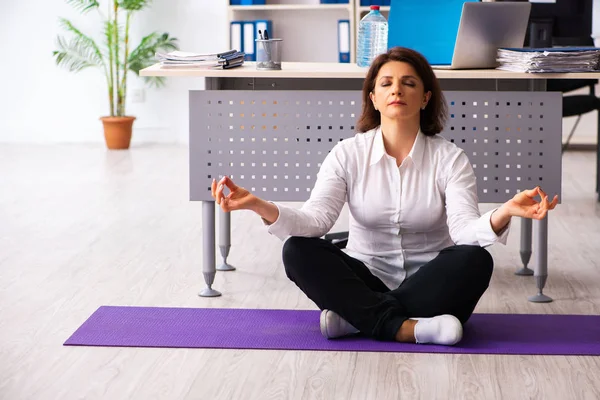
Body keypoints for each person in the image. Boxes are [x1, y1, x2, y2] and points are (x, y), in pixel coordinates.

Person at [211, 47, 558, 346]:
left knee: (476, 259)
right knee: (298, 250)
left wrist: (505, 212)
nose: (397, 90)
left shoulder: (450, 158)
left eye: (409, 83)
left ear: (425, 97)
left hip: (430, 282)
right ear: (373, 98)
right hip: (365, 272)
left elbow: (464, 231)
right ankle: (406, 328)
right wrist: (258, 204)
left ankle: (356, 318)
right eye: (386, 83)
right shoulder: (347, 154)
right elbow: (315, 221)